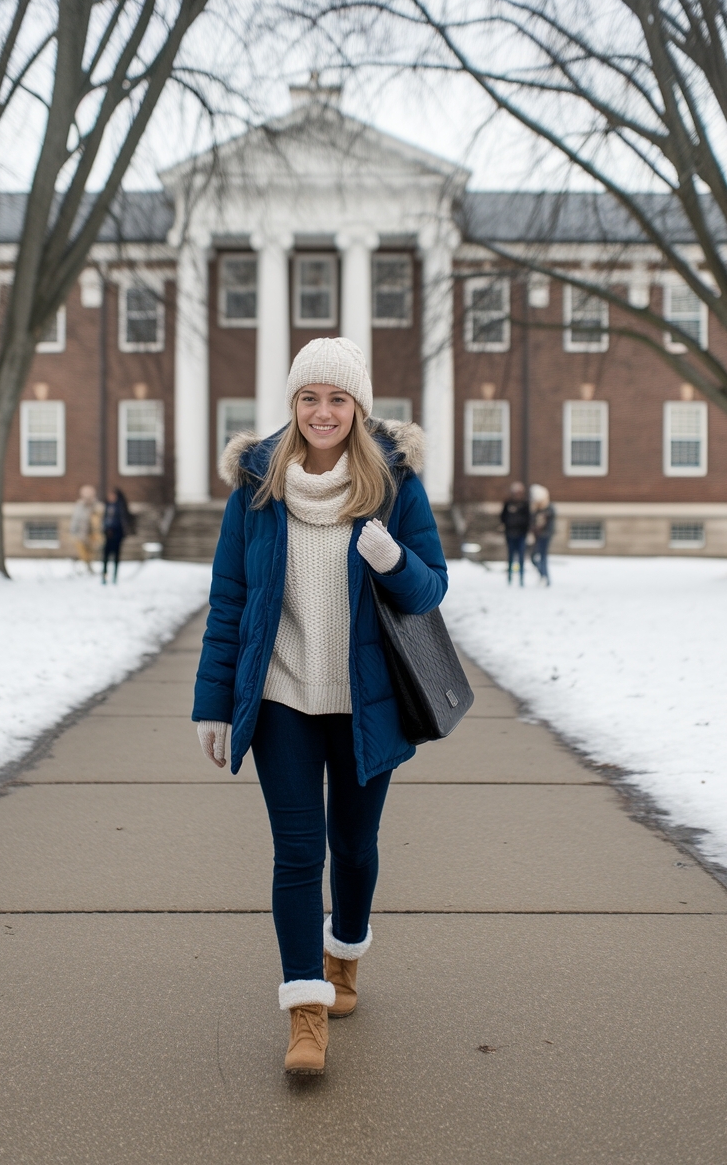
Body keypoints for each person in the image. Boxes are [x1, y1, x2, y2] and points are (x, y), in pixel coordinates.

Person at [192, 337, 447, 1077]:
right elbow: (229, 600)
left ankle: (345, 958)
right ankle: (306, 1011)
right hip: (281, 700)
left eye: (338, 398)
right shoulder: (257, 486)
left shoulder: (394, 485)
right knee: (299, 853)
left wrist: (394, 562)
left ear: (358, 407)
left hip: (368, 702)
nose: (323, 412)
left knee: (355, 847)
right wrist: (214, 703)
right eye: (310, 397)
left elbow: (431, 589)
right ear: (293, 404)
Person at [500, 481, 530, 585]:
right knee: (510, 556)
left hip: (521, 534)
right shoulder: (508, 503)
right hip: (510, 533)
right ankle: (509, 577)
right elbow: (503, 517)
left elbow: (528, 519)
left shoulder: (524, 504)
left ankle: (521, 577)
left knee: (521, 556)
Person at [102, 488, 132, 584]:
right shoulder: (107, 506)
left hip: (117, 534)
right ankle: (105, 577)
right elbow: (104, 519)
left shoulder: (120, 507)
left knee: (116, 556)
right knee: (105, 556)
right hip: (107, 534)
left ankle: (114, 577)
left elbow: (121, 521)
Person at [530, 484, 556, 585]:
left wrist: (544, 533)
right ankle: (543, 574)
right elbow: (532, 522)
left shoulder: (549, 508)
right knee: (533, 557)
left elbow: (551, 524)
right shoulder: (535, 509)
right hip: (536, 536)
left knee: (543, 557)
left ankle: (546, 578)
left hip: (545, 536)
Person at [69, 485, 99, 573]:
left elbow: (97, 520)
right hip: (81, 533)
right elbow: (75, 519)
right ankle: (85, 566)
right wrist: (73, 531)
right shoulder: (80, 506)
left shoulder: (95, 506)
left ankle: (89, 566)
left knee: (91, 552)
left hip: (92, 534)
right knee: (83, 552)